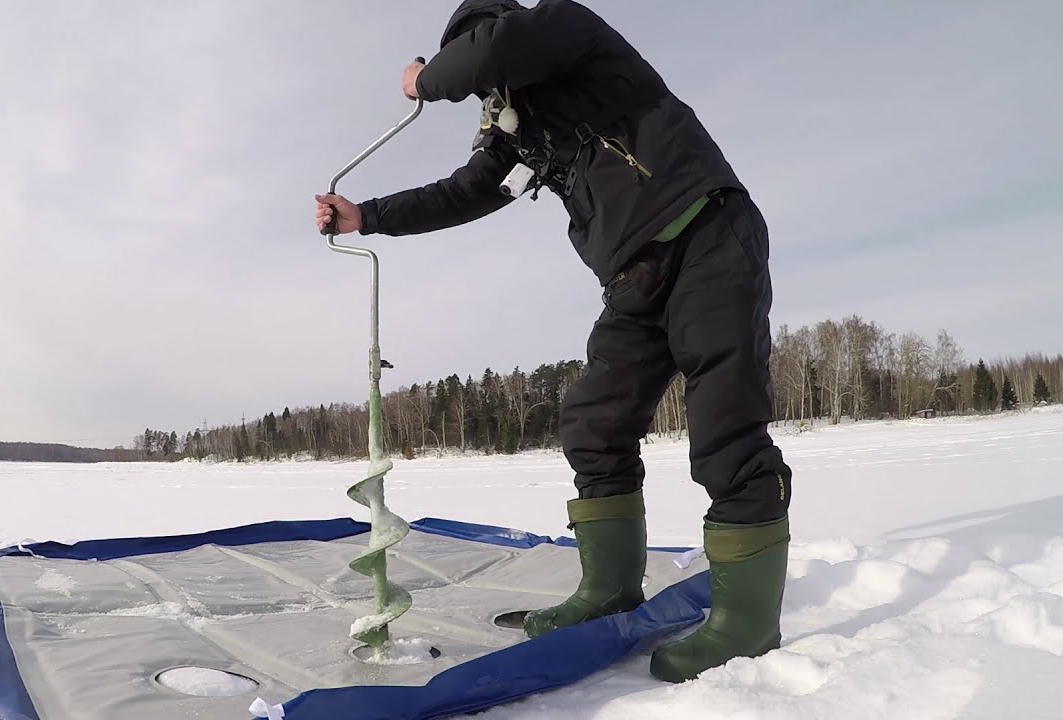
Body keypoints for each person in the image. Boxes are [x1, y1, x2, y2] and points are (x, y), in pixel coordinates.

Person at [314, 0, 793, 683]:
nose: (484, 95)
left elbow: (490, 52)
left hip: (707, 231)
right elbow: (465, 192)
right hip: (634, 277)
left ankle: (748, 624)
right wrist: (368, 217)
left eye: (482, 77)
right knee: (593, 423)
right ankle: (609, 591)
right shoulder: (523, 135)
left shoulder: (567, 32)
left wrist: (424, 79)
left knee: (724, 423)